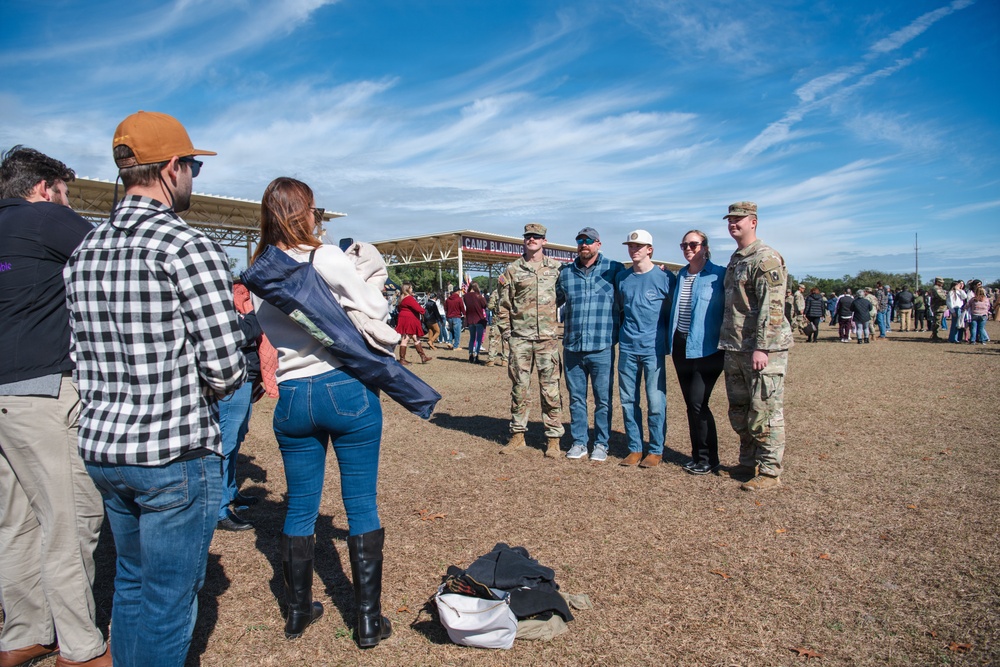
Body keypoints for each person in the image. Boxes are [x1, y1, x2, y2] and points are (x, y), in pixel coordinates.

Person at [63, 111, 247, 666]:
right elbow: (224, 366)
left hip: (104, 447)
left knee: (131, 583)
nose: (193, 175)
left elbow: (78, 355)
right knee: (168, 600)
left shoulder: (84, 250)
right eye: (190, 164)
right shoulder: (187, 247)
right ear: (170, 167)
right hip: (171, 452)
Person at [250, 176, 393, 647]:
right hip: (343, 386)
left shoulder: (259, 270)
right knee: (361, 503)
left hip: (292, 395)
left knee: (300, 505)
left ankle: (297, 611)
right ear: (304, 212)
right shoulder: (324, 256)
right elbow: (373, 306)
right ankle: (367, 619)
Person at [0, 147, 110, 666]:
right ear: (46, 187)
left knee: (16, 524)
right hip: (43, 391)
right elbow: (112, 256)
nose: (69, 204)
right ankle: (80, 646)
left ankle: (25, 633)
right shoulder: (48, 218)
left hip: (3, 398)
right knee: (69, 521)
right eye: (65, 193)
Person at [718, 201, 792, 492]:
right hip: (735, 346)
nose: (733, 224)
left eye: (739, 219)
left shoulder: (766, 258)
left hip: (761, 350)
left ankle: (770, 472)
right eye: (730, 220)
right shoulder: (737, 258)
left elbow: (772, 308)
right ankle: (747, 462)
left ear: (754, 222)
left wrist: (763, 347)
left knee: (765, 410)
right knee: (740, 410)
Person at [555, 227, 624, 462]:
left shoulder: (614, 270)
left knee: (603, 400)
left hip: (601, 346)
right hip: (573, 347)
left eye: (589, 241)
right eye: (580, 241)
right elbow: (549, 302)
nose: (584, 244)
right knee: (576, 399)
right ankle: (579, 442)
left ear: (598, 244)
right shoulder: (565, 274)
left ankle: (602, 443)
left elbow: (626, 301)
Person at [497, 223, 564, 457]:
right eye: (528, 236)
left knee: (551, 390)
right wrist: (508, 334)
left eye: (537, 237)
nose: (532, 240)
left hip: (547, 339)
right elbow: (502, 305)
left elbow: (564, 297)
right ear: (524, 240)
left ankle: (554, 439)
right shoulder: (513, 270)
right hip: (521, 340)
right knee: (519, 388)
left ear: (544, 241)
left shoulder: (556, 269)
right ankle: (517, 435)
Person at [666, 230, 725, 474]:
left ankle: (708, 459)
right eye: (684, 245)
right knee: (691, 403)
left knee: (699, 402)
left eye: (693, 244)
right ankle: (698, 455)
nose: (688, 249)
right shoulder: (680, 275)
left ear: (705, 247)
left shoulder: (719, 274)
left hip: (707, 348)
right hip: (681, 345)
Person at [616, 229, 674, 468]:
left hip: (653, 349)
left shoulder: (666, 279)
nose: (634, 250)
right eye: (631, 245)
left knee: (655, 401)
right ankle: (635, 448)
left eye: (639, 246)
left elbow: (671, 312)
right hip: (628, 348)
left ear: (649, 249)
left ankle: (656, 449)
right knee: (628, 400)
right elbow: (621, 309)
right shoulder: (623, 278)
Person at [216, 281, 265, 532]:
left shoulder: (240, 303)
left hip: (245, 380)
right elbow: (244, 333)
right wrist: (257, 313)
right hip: (234, 380)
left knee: (235, 440)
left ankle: (230, 491)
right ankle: (218, 508)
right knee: (225, 443)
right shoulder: (225, 304)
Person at [394, 282, 432, 364]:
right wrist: (423, 311)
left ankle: (423, 357)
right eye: (411, 288)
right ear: (407, 289)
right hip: (409, 319)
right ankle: (402, 359)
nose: (412, 289)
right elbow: (418, 308)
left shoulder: (401, 298)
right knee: (405, 338)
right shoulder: (409, 298)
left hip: (404, 318)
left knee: (415, 337)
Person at [485, 277, 510, 367]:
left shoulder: (495, 292)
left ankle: (491, 360)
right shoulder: (510, 293)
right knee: (506, 341)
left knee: (494, 340)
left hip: (497, 320)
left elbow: (490, 306)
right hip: (508, 320)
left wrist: (496, 306)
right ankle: (505, 360)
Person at [463, 282, 488, 364]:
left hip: (470, 319)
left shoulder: (465, 296)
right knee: (478, 339)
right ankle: (476, 355)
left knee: (472, 338)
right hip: (479, 319)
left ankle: (470, 355)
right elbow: (484, 305)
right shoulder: (479, 296)